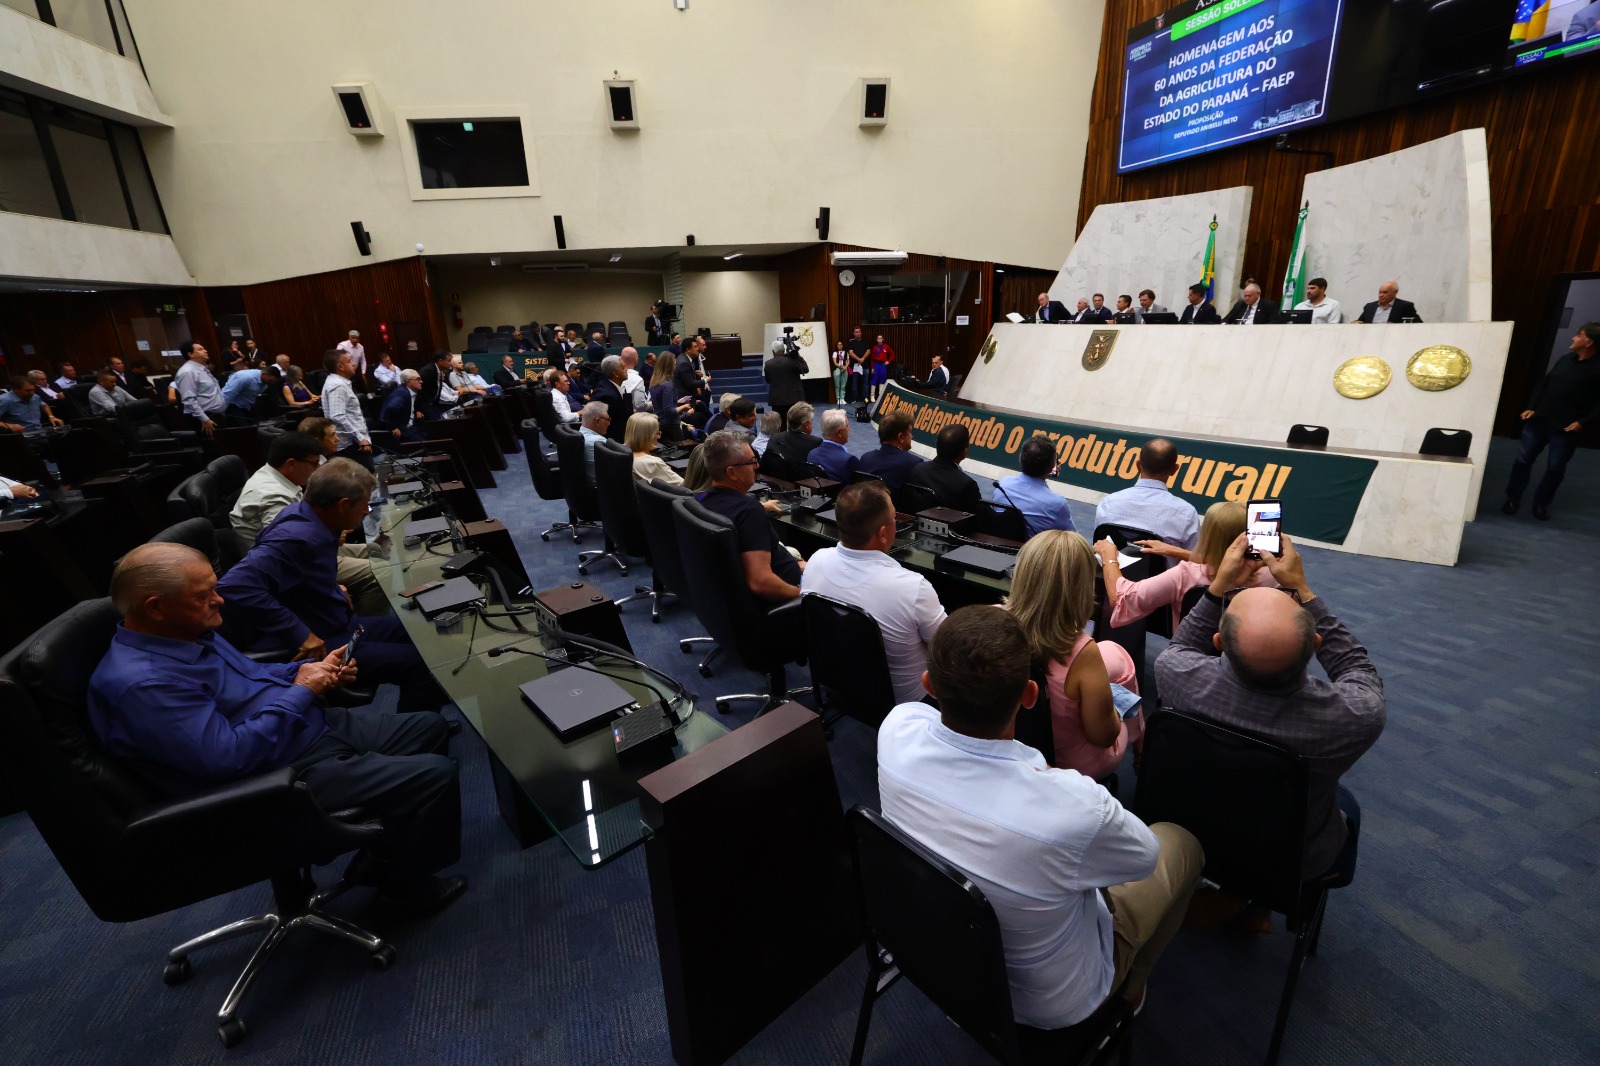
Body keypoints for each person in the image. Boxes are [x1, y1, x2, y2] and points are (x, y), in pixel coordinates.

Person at [88, 542, 466, 921]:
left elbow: (251, 676)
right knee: (434, 776)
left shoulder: (183, 631)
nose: (220, 601)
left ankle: (385, 852)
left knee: (429, 727)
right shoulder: (144, 685)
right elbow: (229, 758)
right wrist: (302, 692)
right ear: (155, 607)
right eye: (204, 595)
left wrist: (304, 672)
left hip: (300, 731)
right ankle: (403, 894)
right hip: (273, 777)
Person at [877, 606, 1204, 1025]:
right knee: (1180, 843)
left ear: (929, 685)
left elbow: (926, 720)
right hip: (1052, 1007)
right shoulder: (1076, 807)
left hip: (946, 961)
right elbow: (1143, 859)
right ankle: (1130, 987)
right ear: (1029, 696)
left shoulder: (895, 730)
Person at [1155, 532, 1385, 882]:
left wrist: (1219, 587)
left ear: (1218, 642)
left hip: (1191, 832)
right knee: (1346, 803)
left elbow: (1181, 645)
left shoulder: (1176, 676)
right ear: (1316, 645)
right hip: (1289, 858)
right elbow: (1358, 669)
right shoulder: (1355, 718)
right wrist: (1302, 589)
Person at [217, 460, 445, 707]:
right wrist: (301, 634)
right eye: (364, 504)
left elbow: (294, 576)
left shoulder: (306, 516)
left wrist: (333, 588)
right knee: (420, 664)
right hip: (317, 638)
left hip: (332, 622)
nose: (366, 511)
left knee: (416, 629)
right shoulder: (297, 538)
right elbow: (234, 586)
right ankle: (420, 728)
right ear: (343, 505)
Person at [1006, 530, 1141, 780]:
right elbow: (1103, 736)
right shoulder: (1083, 652)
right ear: (1083, 587)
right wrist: (1116, 709)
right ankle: (1141, 748)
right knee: (1123, 686)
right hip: (1068, 769)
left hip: (1009, 748)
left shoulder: (993, 623)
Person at [802, 482, 946, 703]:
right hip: (907, 701)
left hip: (838, 682)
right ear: (883, 534)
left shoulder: (816, 560)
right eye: (894, 518)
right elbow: (948, 647)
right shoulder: (913, 588)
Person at [230, 432, 387, 614]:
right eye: (314, 463)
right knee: (380, 572)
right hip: (296, 567)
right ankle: (361, 624)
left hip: (309, 550)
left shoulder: (279, 478)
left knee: (375, 549)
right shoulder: (272, 496)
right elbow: (288, 554)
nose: (318, 468)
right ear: (291, 464)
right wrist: (332, 587)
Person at [1094, 500, 1269, 632]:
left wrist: (1109, 556)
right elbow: (1224, 560)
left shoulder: (1184, 575)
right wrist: (1179, 551)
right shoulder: (1271, 575)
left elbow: (1123, 599)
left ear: (1209, 535)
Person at [1503, 321, 1600, 520]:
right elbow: (1544, 383)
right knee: (1522, 460)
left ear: (1588, 342)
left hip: (1566, 427)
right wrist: (1531, 406)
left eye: (1578, 335)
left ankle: (1541, 503)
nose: (1573, 338)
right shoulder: (1565, 359)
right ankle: (1512, 498)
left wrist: (1583, 422)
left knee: (1555, 468)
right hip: (1539, 420)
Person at [696, 430, 803, 601]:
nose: (757, 466)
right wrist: (802, 595)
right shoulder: (749, 511)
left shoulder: (700, 500)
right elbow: (761, 582)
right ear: (732, 473)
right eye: (752, 461)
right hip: (787, 597)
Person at [1093, 438, 1199, 549]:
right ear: (1174, 470)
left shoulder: (1108, 503)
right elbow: (1193, 557)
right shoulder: (1187, 514)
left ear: (1138, 466)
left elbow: (1099, 546)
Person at [995, 436, 1075, 537]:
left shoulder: (1002, 484)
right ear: (1052, 467)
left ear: (1020, 457)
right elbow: (1074, 539)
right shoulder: (1058, 504)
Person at [905, 423, 983, 512]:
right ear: (964, 452)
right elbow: (982, 514)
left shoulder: (917, 469)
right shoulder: (967, 485)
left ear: (936, 444)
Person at [320, 349, 373, 468]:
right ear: (340, 367)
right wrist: (360, 438)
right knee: (364, 476)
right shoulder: (338, 386)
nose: (353, 363)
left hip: (353, 443)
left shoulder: (338, 383)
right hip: (351, 446)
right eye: (349, 361)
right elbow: (337, 416)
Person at [856, 409, 924, 493]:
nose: (912, 436)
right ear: (901, 437)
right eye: (910, 432)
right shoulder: (914, 463)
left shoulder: (865, 458)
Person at [172, 341, 226, 435]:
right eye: (200, 349)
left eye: (204, 348)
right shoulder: (187, 372)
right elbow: (189, 399)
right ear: (191, 354)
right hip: (204, 418)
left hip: (215, 415)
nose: (205, 351)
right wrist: (204, 419)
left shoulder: (202, 369)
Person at [762, 402, 823, 480]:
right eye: (812, 421)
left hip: (773, 482)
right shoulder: (815, 443)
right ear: (806, 424)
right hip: (800, 484)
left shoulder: (775, 438)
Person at [626, 412, 683, 488]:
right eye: (657, 433)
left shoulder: (619, 451)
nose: (659, 437)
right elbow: (685, 486)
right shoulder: (653, 463)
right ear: (648, 436)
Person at [806, 408, 858, 482]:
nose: (849, 430)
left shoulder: (812, 454)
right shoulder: (849, 460)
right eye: (847, 426)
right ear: (839, 432)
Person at [377, 369, 428, 444]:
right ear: (408, 381)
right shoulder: (402, 394)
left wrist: (416, 411)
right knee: (426, 443)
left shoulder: (412, 391)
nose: (421, 382)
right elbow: (388, 410)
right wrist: (392, 427)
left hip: (413, 425)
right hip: (404, 429)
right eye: (418, 379)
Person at [591, 355, 632, 443]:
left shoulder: (604, 385)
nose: (626, 369)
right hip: (612, 444)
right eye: (623, 367)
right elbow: (612, 429)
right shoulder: (608, 396)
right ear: (616, 374)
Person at [764, 335, 809, 416]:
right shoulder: (792, 361)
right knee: (794, 421)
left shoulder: (768, 364)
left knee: (779, 421)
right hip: (794, 399)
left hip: (777, 400)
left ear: (773, 351)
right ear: (784, 350)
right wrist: (797, 355)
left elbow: (768, 380)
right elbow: (805, 369)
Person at [1355, 280, 1421, 324]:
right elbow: (1360, 322)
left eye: (1385, 292)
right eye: (1380, 292)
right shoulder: (1370, 307)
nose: (1381, 295)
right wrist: (1356, 323)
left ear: (1395, 292)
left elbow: (1418, 324)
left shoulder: (1405, 306)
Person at [577, 401, 612, 483]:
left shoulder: (579, 434)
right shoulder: (599, 442)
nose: (609, 424)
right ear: (597, 421)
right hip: (602, 487)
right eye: (608, 419)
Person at [418, 349, 454, 419]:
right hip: (424, 406)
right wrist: (417, 409)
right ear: (440, 361)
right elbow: (419, 391)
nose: (450, 363)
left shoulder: (438, 370)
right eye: (449, 361)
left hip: (433, 404)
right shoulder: (428, 371)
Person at [618, 347, 650, 412]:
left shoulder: (615, 376)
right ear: (636, 360)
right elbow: (640, 406)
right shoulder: (638, 380)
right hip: (634, 416)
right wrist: (651, 404)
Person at [845, 326, 872, 403]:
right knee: (854, 383)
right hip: (855, 366)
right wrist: (858, 359)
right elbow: (850, 352)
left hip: (865, 365)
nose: (858, 333)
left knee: (865, 383)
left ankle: (866, 399)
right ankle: (854, 399)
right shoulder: (851, 342)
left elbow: (868, 351)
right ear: (854, 333)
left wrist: (862, 359)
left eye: (859, 332)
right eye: (856, 332)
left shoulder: (865, 341)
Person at [868, 334, 895, 403]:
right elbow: (872, 358)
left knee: (882, 379)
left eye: (881, 338)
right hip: (876, 364)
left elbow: (892, 354)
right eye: (878, 338)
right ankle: (872, 396)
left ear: (883, 339)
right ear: (876, 340)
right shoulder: (874, 347)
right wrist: (872, 367)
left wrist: (888, 361)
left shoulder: (886, 347)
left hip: (883, 365)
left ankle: (880, 396)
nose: (879, 339)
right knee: (874, 379)